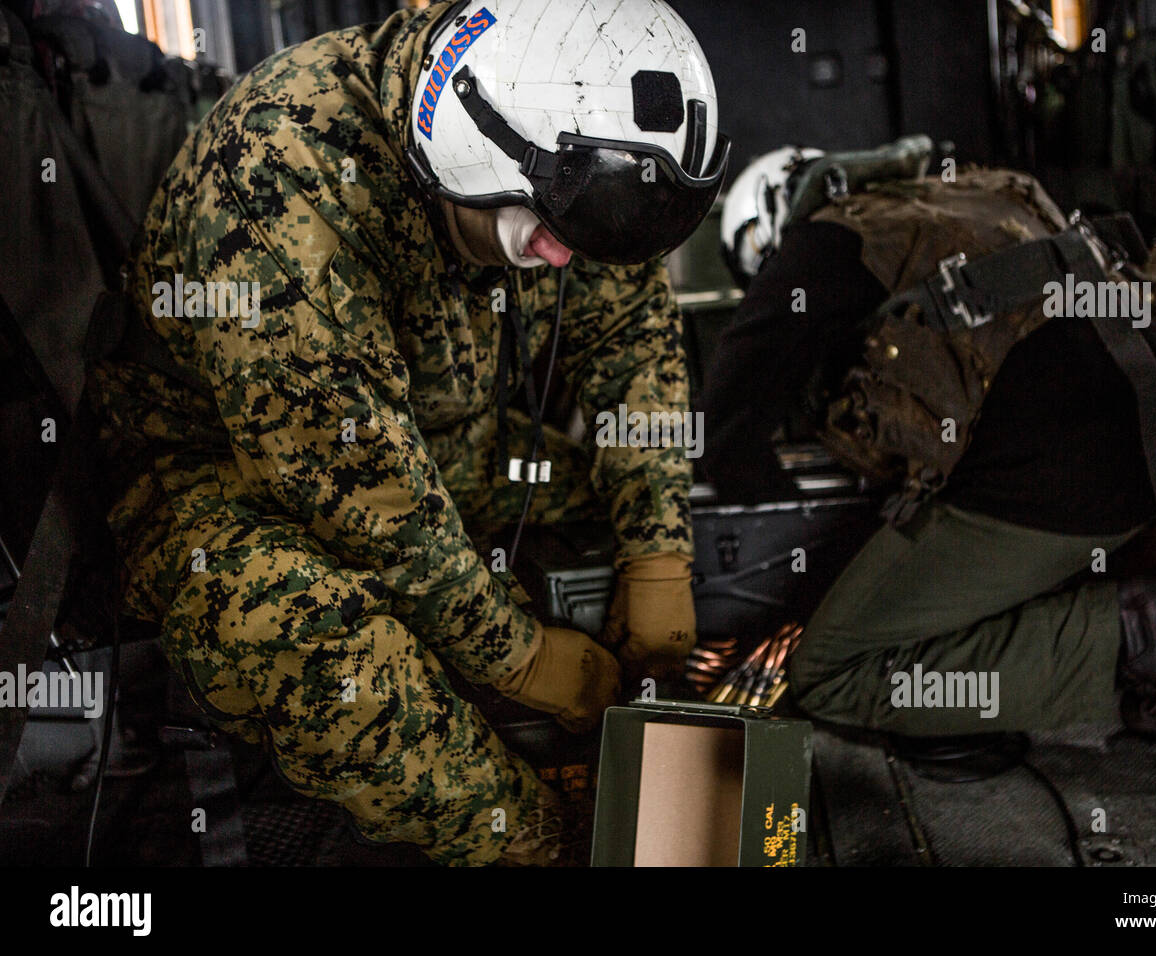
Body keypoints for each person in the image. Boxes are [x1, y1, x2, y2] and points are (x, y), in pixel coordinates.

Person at [87, 0, 728, 865]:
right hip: (224, 478)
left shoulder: (567, 126)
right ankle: (538, 842)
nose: (565, 261)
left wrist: (658, 554)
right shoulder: (281, 169)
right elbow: (366, 497)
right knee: (315, 639)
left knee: (610, 506)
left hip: (441, 444)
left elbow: (627, 339)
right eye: (552, 238)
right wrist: (523, 658)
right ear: (477, 150)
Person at [700, 145, 1156, 740]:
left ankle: (1135, 645)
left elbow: (736, 397)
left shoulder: (825, 237)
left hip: (1070, 470)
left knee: (831, 670)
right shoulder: (976, 194)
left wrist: (750, 505)